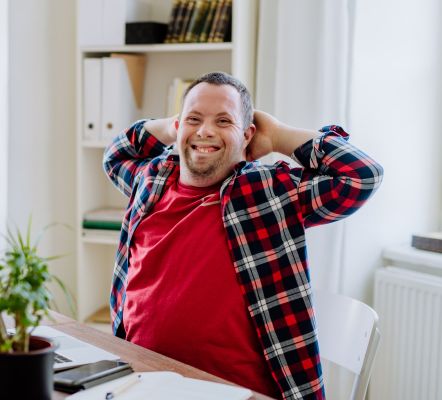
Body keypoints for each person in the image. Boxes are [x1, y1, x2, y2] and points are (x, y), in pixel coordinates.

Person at [103, 71, 383, 400]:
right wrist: (173, 127)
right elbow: (116, 154)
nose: (205, 131)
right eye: (194, 118)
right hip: (139, 379)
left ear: (248, 134)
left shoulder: (269, 191)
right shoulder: (151, 180)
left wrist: (277, 135)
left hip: (236, 393)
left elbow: (362, 175)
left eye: (224, 121)